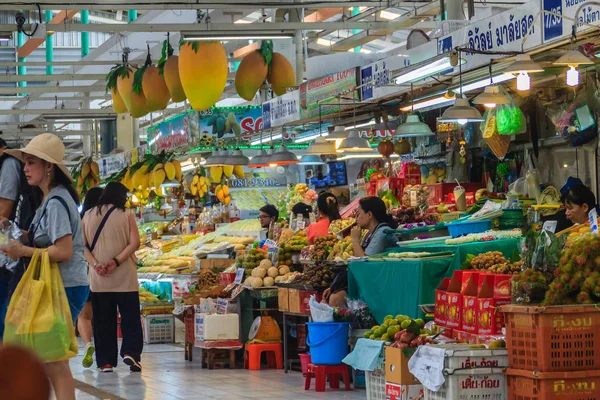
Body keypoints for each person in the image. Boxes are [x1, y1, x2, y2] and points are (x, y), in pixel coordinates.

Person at [1, 133, 89, 400]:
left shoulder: (56, 202)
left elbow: (63, 251)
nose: (24, 169)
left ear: (48, 167)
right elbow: (45, 240)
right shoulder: (49, 200)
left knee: (54, 362)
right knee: (49, 359)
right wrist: (18, 233)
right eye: (25, 163)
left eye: (30, 163)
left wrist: (22, 250)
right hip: (58, 288)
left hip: (64, 288)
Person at [82, 182, 143, 373]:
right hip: (125, 276)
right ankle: (130, 352)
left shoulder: (87, 215)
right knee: (130, 318)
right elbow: (135, 243)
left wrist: (95, 264)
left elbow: (81, 246)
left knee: (102, 321)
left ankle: (105, 362)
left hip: (99, 278)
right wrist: (115, 262)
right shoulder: (126, 214)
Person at [0, 138, 42, 338]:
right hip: (14, 255)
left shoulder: (8, 165)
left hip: (13, 259)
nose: (25, 168)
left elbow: (4, 211)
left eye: (30, 163)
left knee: (7, 314)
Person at [323, 197, 398, 308]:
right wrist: (335, 286)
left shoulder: (382, 233)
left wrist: (355, 240)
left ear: (369, 215)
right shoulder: (370, 233)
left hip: (379, 282)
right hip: (368, 279)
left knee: (335, 299)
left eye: (358, 214)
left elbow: (363, 264)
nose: (356, 218)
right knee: (329, 296)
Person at [78, 187, 103, 369]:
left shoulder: (81, 220)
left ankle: (88, 344)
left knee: (84, 316)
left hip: (84, 272)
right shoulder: (109, 218)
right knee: (102, 315)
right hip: (104, 273)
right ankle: (104, 349)